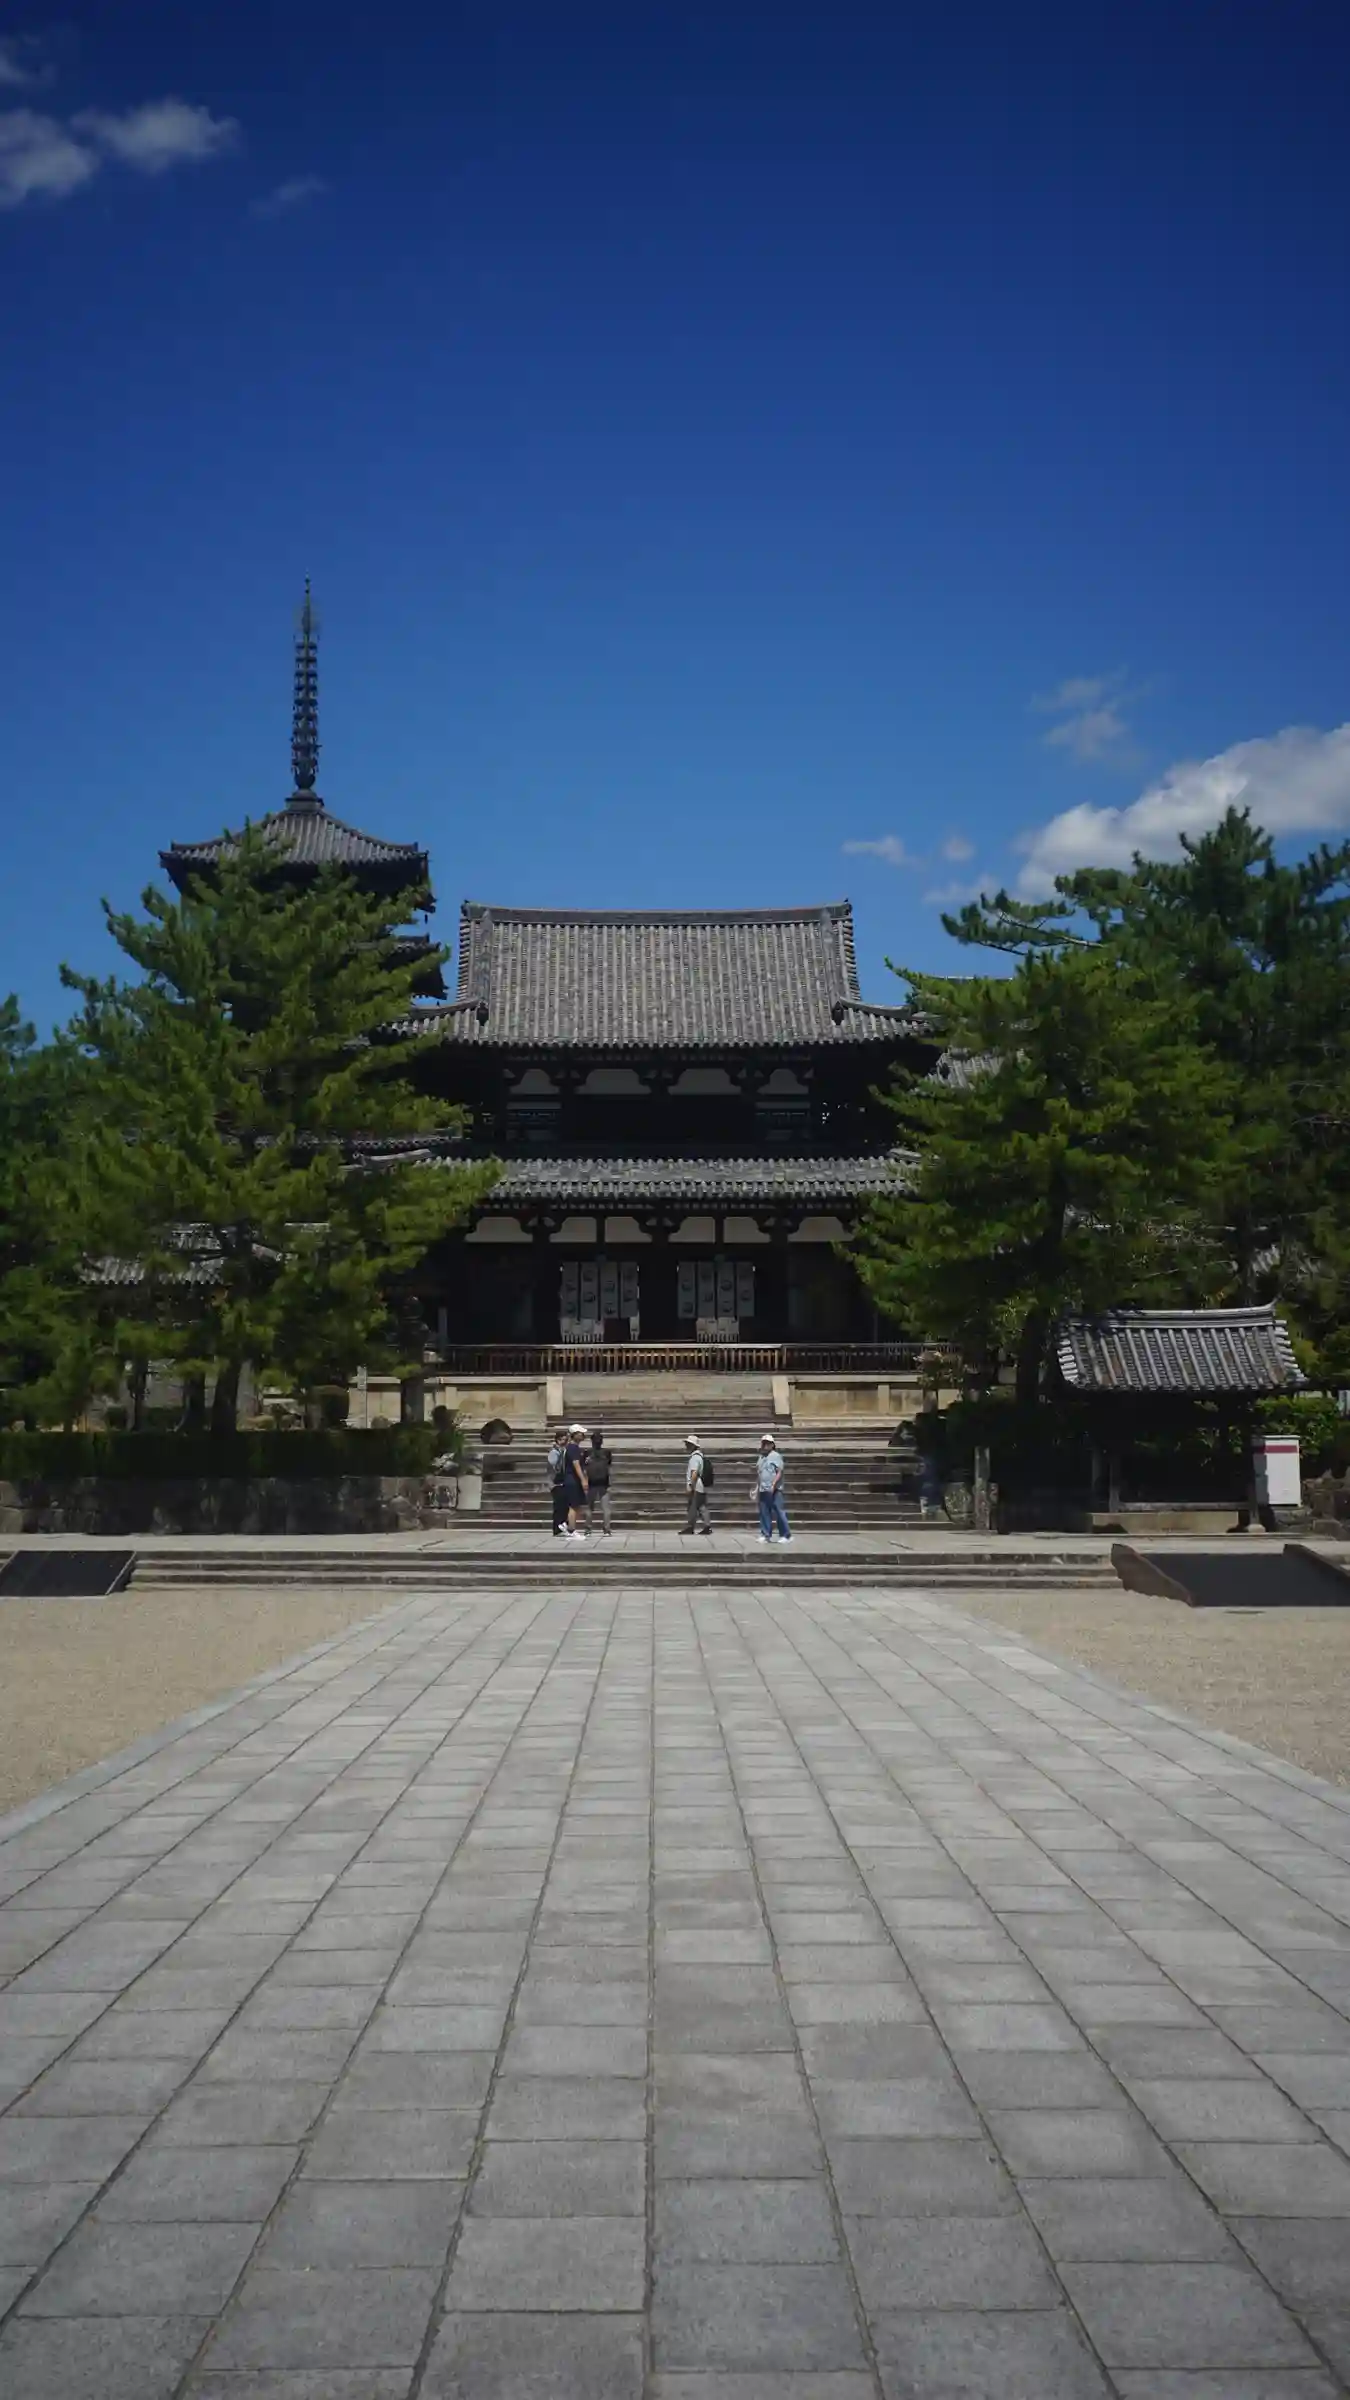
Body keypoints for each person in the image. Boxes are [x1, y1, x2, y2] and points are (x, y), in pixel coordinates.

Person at [755, 1432, 792, 1543]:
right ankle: (765, 1534)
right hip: (763, 1488)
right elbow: (760, 1474)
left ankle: (785, 1535)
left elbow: (779, 1472)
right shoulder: (761, 1457)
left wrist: (773, 1484)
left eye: (768, 1443)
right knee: (764, 1512)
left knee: (779, 1511)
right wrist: (756, 1488)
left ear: (772, 1445)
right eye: (764, 1443)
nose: (765, 1445)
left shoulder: (775, 1456)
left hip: (775, 1489)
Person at [562, 1421, 590, 1539]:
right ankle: (571, 1530)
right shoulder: (573, 1448)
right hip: (572, 1480)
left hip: (572, 1479)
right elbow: (576, 1465)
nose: (583, 1435)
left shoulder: (573, 1448)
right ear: (575, 1434)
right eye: (581, 1433)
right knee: (574, 1505)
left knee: (576, 1505)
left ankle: (568, 1526)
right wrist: (583, 1480)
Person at [683, 1432, 712, 1535]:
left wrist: (691, 1485)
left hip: (696, 1486)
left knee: (692, 1507)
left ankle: (690, 1527)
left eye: (688, 1444)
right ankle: (707, 1526)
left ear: (692, 1446)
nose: (686, 1446)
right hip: (701, 1486)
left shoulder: (695, 1458)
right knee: (701, 1506)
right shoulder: (700, 1456)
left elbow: (694, 1472)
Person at [585, 1429, 613, 1535]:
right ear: (601, 1441)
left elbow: (584, 1467)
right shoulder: (607, 1453)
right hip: (604, 1482)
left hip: (591, 1482)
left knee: (589, 1507)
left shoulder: (587, 1453)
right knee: (606, 1508)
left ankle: (588, 1528)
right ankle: (607, 1529)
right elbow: (609, 1465)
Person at [546, 1427, 570, 1536]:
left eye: (565, 1440)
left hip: (563, 1483)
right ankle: (557, 1529)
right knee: (559, 1507)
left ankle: (563, 1526)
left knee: (564, 1507)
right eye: (562, 1439)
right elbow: (555, 1467)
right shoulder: (554, 1452)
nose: (564, 1442)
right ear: (557, 1440)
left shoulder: (563, 1451)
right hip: (556, 1483)